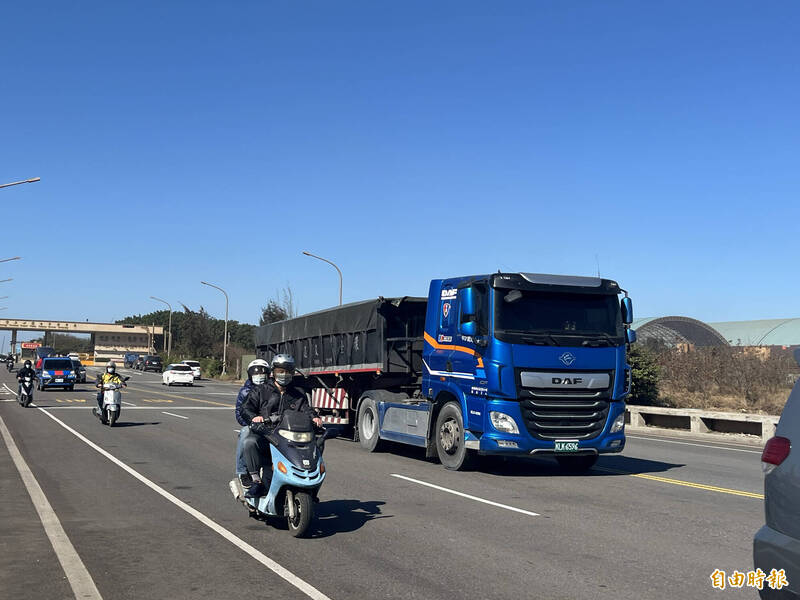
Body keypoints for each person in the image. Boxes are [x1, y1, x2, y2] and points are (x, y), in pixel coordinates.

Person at [240, 354, 321, 498]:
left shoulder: (298, 394)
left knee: (318, 444)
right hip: (266, 434)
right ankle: (256, 481)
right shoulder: (260, 390)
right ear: (273, 372)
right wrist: (254, 417)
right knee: (249, 442)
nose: (284, 375)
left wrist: (315, 418)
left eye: (288, 371)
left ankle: (311, 485)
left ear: (292, 373)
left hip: (288, 437)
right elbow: (246, 408)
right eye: (280, 371)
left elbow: (307, 410)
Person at [234, 358, 270, 488]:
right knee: (245, 434)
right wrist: (252, 421)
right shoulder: (245, 391)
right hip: (252, 425)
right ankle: (243, 472)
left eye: (262, 374)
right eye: (256, 374)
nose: (259, 377)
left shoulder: (272, 390)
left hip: (271, 426)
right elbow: (240, 412)